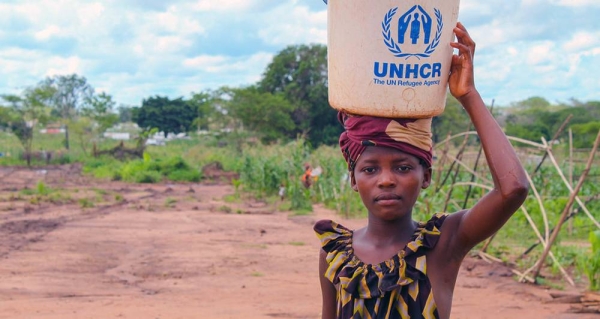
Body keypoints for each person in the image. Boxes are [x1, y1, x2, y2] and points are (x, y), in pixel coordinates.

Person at [314, 23, 529, 319]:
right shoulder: (335, 255)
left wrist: (468, 95)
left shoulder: (444, 243)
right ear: (353, 178)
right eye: (370, 169)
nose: (386, 180)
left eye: (403, 167)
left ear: (425, 176)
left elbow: (513, 189)